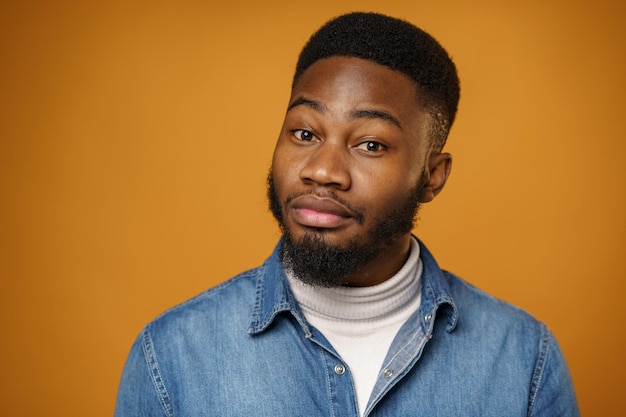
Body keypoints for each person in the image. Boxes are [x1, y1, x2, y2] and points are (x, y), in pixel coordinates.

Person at [114, 12, 580, 417]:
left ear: (432, 175)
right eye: (303, 133)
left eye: (371, 144)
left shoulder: (524, 361)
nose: (322, 171)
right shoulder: (172, 355)